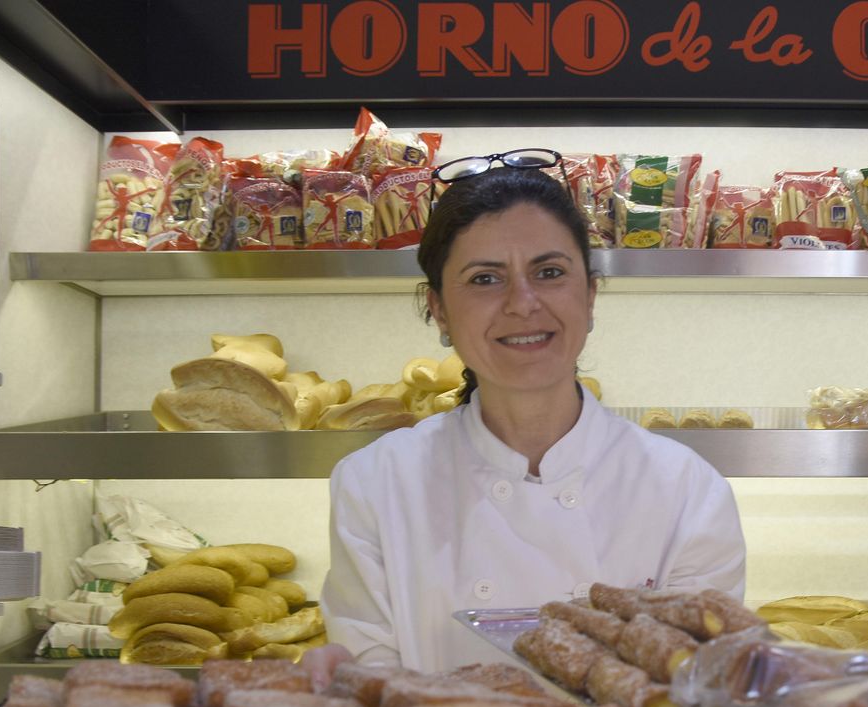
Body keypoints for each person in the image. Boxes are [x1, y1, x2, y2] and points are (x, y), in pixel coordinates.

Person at [310, 151, 746, 678]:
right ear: (440, 310)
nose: (523, 302)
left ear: (590, 295)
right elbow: (375, 689)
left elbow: (689, 693)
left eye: (549, 272)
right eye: (484, 279)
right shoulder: (374, 484)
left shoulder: (687, 493)